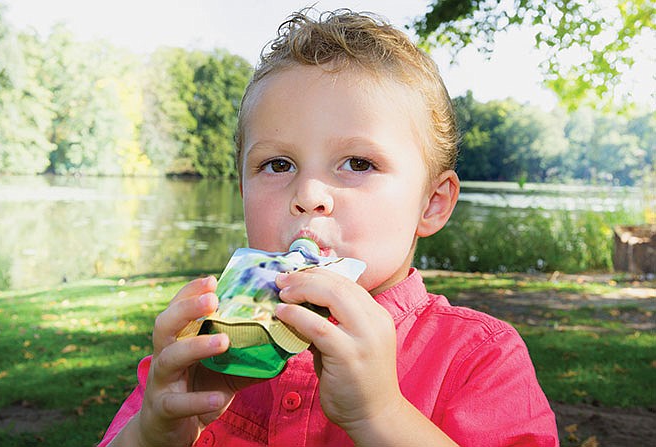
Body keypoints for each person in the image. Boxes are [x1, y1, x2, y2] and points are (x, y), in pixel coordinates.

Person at [98, 8, 559, 447]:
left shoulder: (480, 359)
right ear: (242, 190)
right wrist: (155, 431)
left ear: (432, 204)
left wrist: (381, 416)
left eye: (358, 163)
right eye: (277, 164)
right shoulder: (200, 343)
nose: (309, 194)